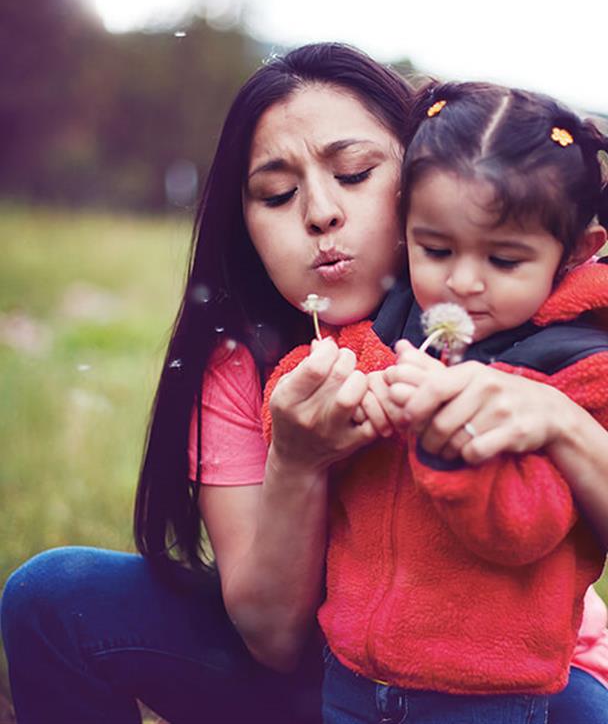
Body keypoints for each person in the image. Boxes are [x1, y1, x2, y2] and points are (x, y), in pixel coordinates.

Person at [1, 44, 607, 724]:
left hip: (519, 682)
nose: (320, 213)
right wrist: (296, 459)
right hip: (334, 670)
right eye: (277, 193)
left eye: (354, 172)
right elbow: (272, 637)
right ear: (244, 224)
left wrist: (562, 423)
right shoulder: (243, 364)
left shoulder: (544, 323)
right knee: (55, 597)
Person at [261, 79, 608, 724]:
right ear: (405, 224)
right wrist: (325, 405)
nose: (462, 281)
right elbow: (293, 397)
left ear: (575, 253)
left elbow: (524, 530)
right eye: (436, 249)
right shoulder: (392, 324)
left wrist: (445, 445)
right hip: (352, 675)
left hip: (485, 695)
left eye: (505, 260)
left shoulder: (579, 371)